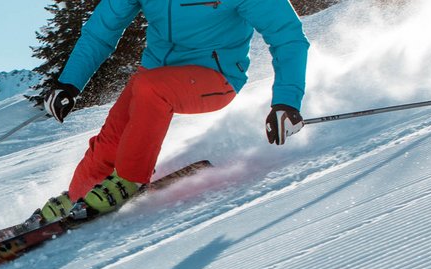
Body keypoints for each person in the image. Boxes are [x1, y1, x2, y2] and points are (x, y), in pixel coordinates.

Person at [38, 0, 309, 222]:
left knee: (149, 88)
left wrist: (286, 101)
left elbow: (287, 36)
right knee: (111, 140)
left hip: (216, 77)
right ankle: (77, 197)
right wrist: (69, 84)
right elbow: (101, 31)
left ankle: (129, 179)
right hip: (153, 76)